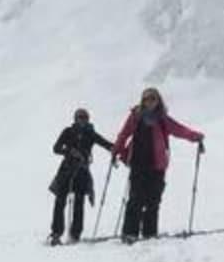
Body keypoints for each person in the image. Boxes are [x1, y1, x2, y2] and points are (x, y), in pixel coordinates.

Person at [112, 86, 203, 242]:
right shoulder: (135, 117)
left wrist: (195, 136)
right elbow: (124, 133)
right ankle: (129, 233)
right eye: (147, 99)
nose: (150, 101)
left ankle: (149, 233)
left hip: (157, 165)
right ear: (142, 101)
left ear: (158, 100)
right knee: (136, 199)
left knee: (153, 200)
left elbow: (179, 130)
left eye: (153, 98)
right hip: (138, 163)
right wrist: (116, 150)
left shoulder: (162, 119)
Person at [47, 107, 112, 245]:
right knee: (60, 200)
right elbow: (56, 148)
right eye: (80, 117)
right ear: (75, 119)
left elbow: (105, 144)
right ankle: (56, 233)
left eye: (85, 118)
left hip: (81, 171)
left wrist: (115, 149)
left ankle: (75, 234)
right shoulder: (68, 131)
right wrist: (69, 151)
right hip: (67, 169)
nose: (82, 120)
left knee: (79, 202)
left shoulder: (91, 133)